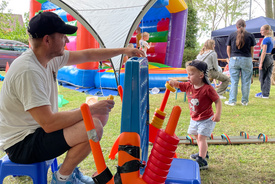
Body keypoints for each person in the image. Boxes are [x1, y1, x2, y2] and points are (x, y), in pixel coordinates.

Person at [0, 12, 145, 184]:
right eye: (63, 36)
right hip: (21, 144)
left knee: (97, 118)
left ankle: (69, 172)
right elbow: (49, 124)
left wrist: (124, 50)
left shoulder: (47, 58)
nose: (67, 41)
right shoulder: (28, 71)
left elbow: (87, 55)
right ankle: (62, 179)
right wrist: (89, 110)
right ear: (47, 40)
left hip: (36, 131)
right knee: (94, 126)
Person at [168, 60, 222, 170]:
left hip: (207, 119)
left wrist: (217, 114)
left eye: (191, 74)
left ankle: (202, 160)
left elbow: (218, 101)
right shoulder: (189, 86)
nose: (188, 77)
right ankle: (203, 152)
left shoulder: (208, 89)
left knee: (201, 137)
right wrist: (173, 82)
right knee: (197, 136)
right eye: (188, 74)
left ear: (201, 75)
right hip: (194, 118)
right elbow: (178, 84)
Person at [225, 19, 256, 106]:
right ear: (245, 26)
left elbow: (228, 49)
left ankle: (232, 101)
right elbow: (252, 50)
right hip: (247, 59)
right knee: (246, 81)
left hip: (234, 59)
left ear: (236, 26)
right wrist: (251, 59)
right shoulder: (250, 35)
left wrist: (230, 58)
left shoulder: (232, 35)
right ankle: (244, 101)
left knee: (234, 81)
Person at [255, 24, 274, 98]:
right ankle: (265, 92)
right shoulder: (271, 39)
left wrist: (261, 63)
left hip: (266, 57)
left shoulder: (266, 39)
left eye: (262, 30)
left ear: (267, 31)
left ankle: (264, 94)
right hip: (270, 57)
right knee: (268, 76)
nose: (260, 31)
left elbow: (263, 52)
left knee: (262, 76)